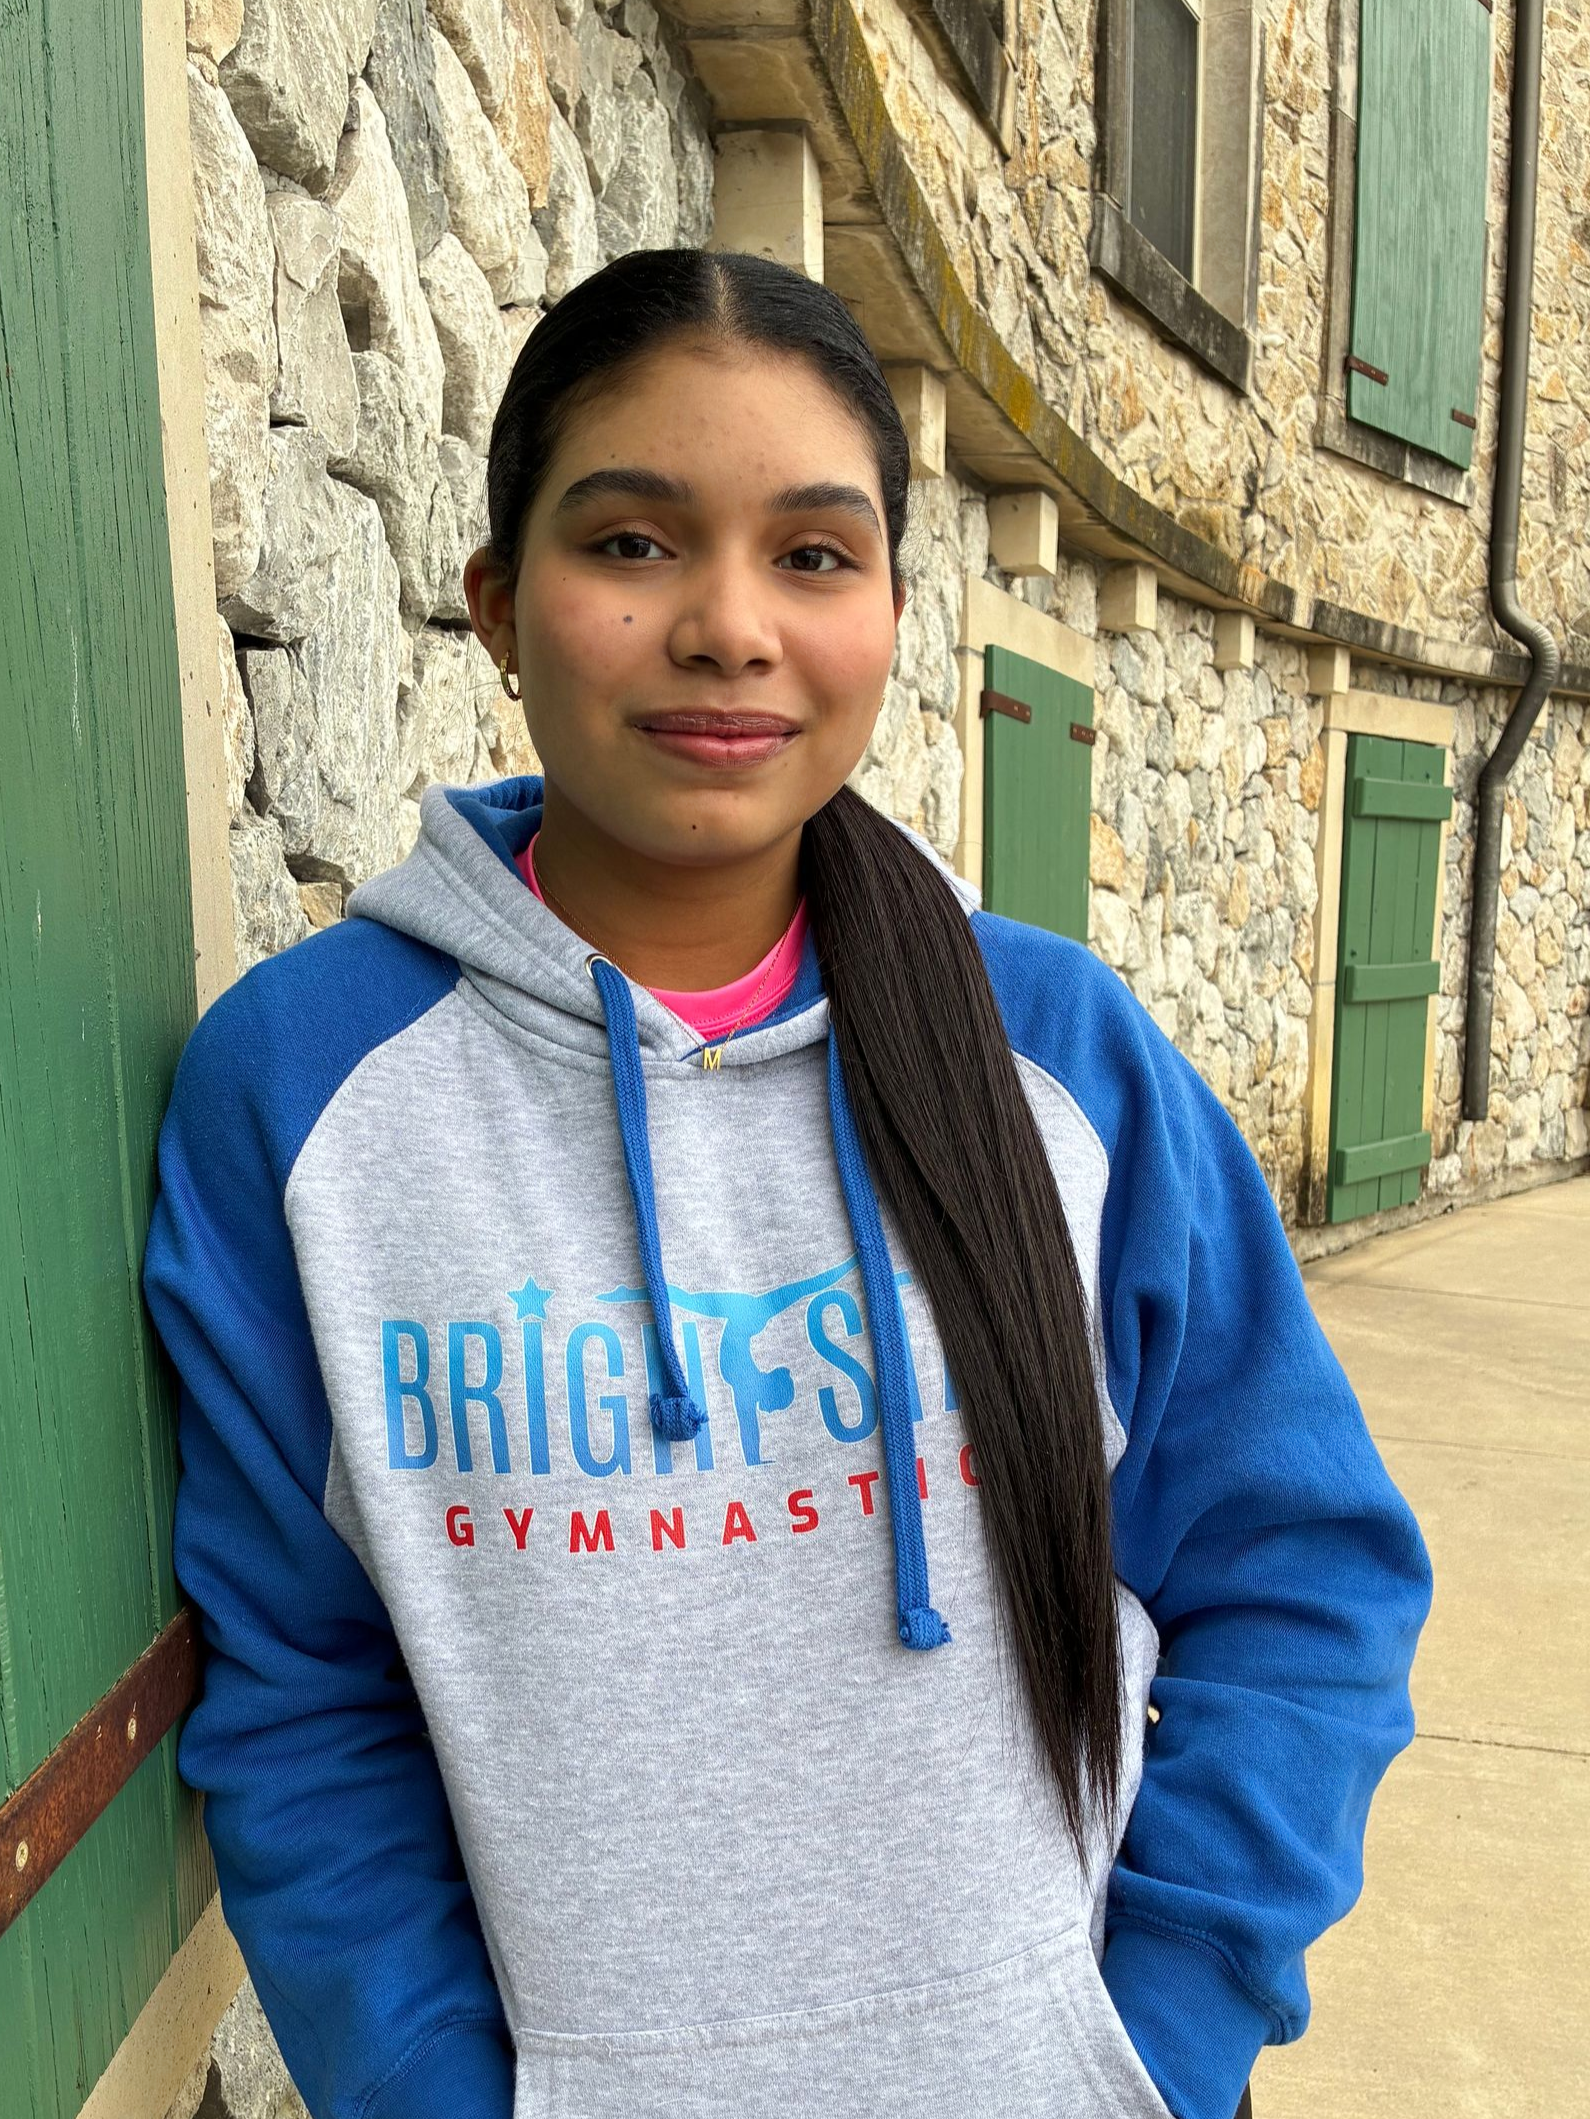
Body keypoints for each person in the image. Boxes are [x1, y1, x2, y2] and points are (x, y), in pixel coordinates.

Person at [141, 247, 1433, 2119]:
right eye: (633, 544)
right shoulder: (304, 1095)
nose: (729, 626)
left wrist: (1148, 2037)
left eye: (814, 555)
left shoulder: (1058, 1063)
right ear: (498, 603)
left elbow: (1301, 1571)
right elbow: (306, 1696)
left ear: (892, 611)